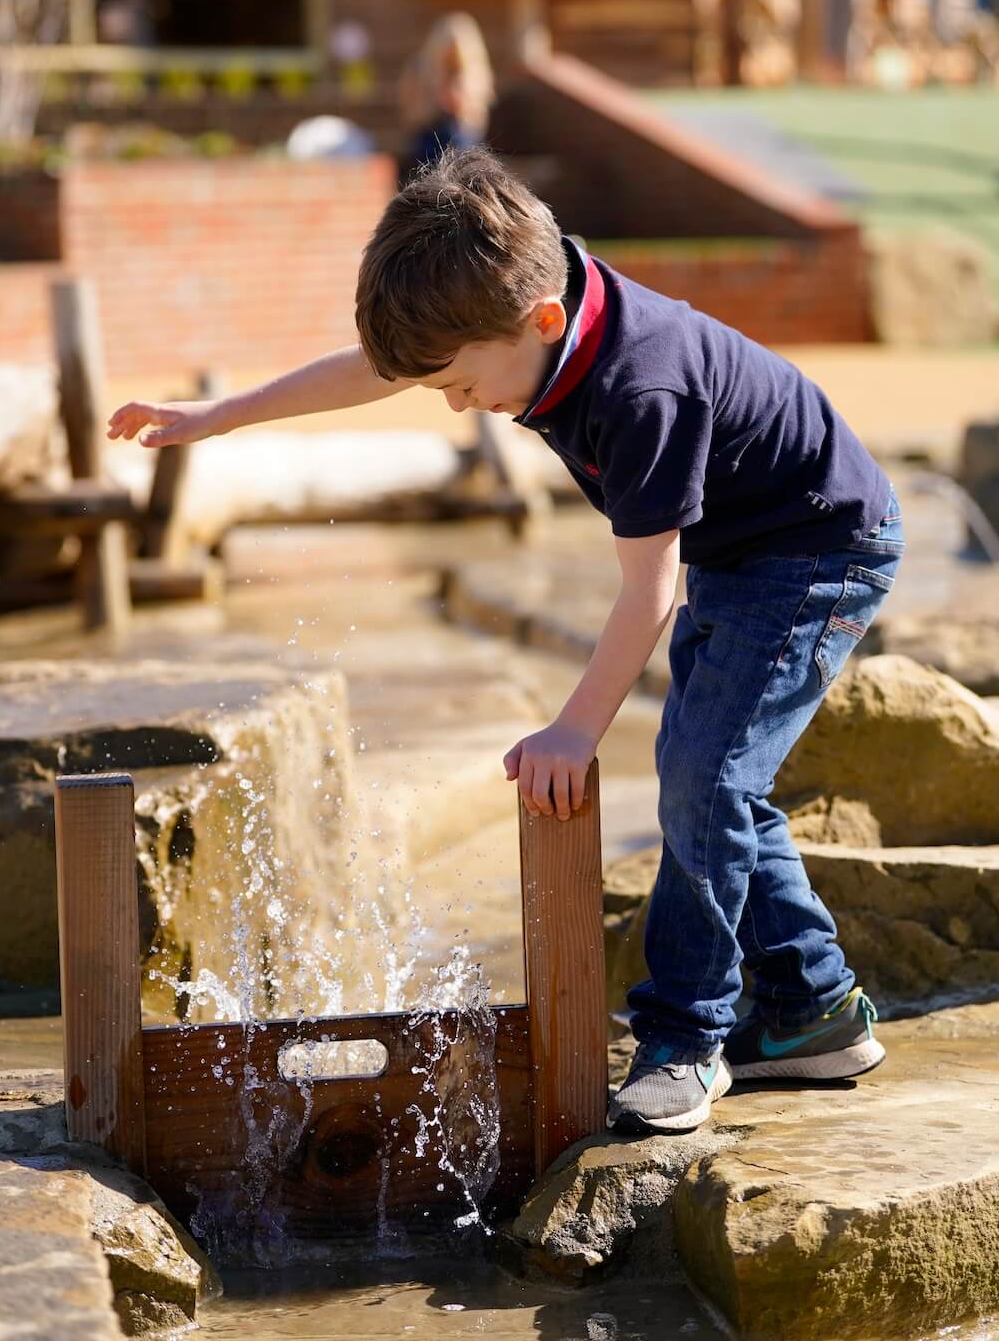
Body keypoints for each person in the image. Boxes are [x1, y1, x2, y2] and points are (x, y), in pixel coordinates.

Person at [107, 148, 903, 1138]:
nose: (450, 402)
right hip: (746, 552)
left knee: (705, 779)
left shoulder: (642, 388)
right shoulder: (527, 309)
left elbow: (647, 593)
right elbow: (379, 369)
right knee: (717, 776)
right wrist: (220, 417)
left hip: (818, 553)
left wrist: (574, 730)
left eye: (457, 382)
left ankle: (686, 1040)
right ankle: (812, 1011)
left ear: (540, 326)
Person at [401, 12, 495, 178]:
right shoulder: (422, 71)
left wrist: (460, 103)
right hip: (431, 139)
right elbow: (414, 113)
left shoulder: (473, 75)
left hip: (462, 142)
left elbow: (476, 120)